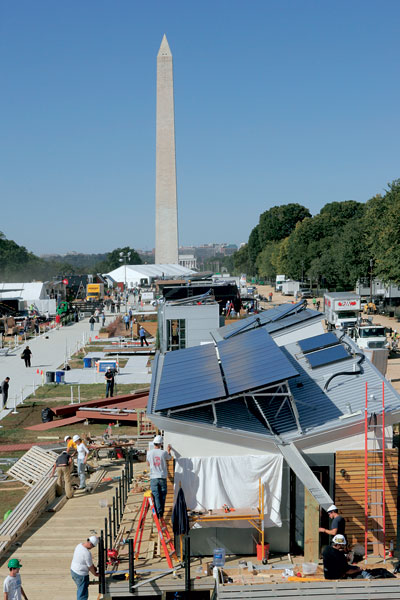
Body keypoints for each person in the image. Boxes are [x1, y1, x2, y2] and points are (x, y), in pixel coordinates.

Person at [146, 435, 172, 519]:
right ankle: (161, 513)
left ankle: (157, 513)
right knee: (163, 495)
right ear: (161, 444)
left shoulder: (149, 452)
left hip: (153, 477)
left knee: (156, 495)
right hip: (162, 477)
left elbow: (148, 464)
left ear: (154, 443)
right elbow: (169, 457)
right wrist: (168, 450)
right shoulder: (163, 453)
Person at [70, 536, 99, 600]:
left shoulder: (79, 545)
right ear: (91, 544)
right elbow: (90, 567)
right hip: (81, 575)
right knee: (82, 594)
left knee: (80, 588)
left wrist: (96, 539)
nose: (92, 548)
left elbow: (88, 563)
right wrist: (95, 574)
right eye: (93, 546)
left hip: (73, 571)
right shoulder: (87, 553)